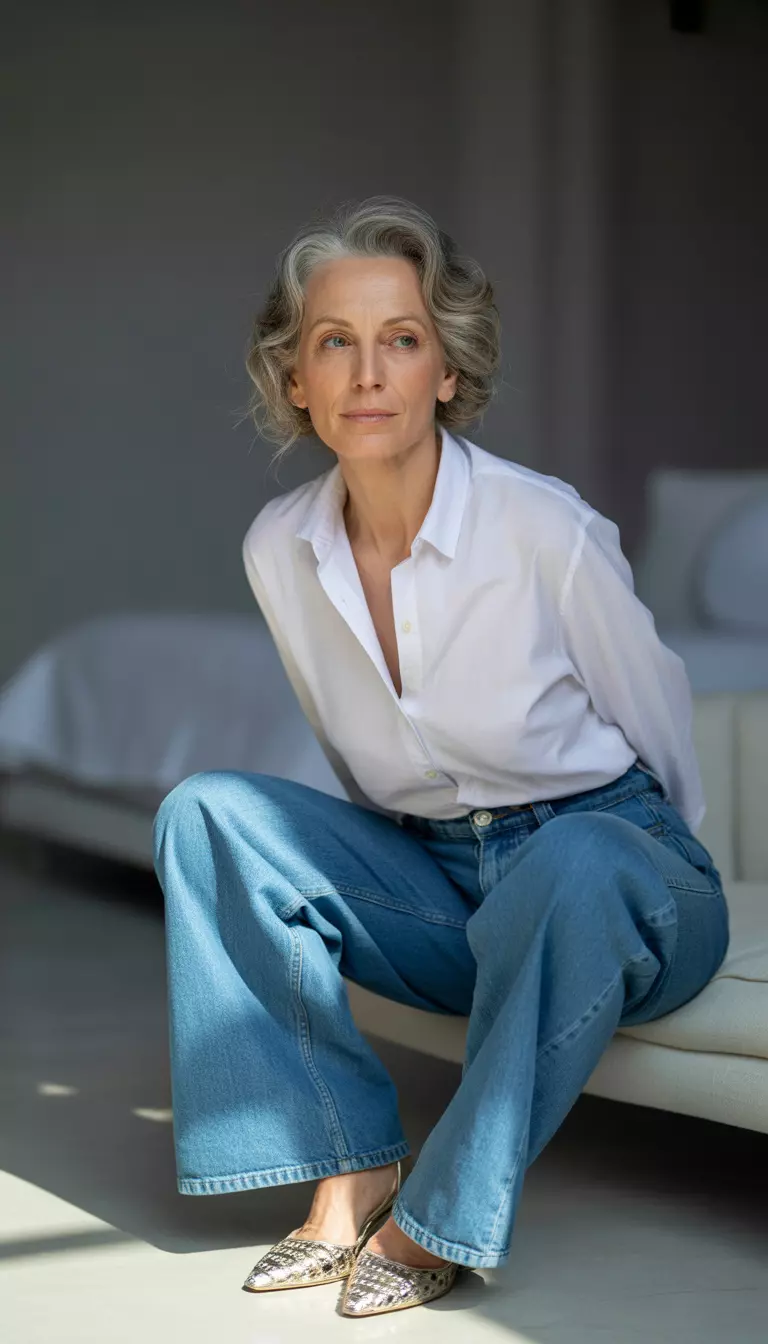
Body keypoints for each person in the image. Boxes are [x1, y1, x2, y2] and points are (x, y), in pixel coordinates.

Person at [152, 195, 729, 1319]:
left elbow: (656, 723)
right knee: (207, 814)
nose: (369, 372)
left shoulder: (541, 529)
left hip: (623, 876)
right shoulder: (281, 548)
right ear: (298, 382)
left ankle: (439, 1219)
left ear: (447, 373)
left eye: (402, 340)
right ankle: (350, 1160)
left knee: (579, 860)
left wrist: (636, 865)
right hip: (445, 888)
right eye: (336, 342)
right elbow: (357, 757)